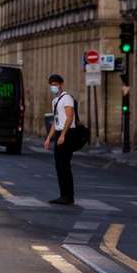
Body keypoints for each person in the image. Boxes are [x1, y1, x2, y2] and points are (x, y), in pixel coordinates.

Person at [44, 74, 76, 205]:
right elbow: (55, 121)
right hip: (59, 132)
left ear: (61, 84)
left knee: (64, 165)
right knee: (59, 166)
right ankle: (64, 195)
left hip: (67, 134)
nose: (53, 86)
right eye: (51, 84)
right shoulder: (55, 100)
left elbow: (70, 117)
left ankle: (68, 196)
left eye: (55, 84)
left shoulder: (67, 98)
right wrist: (48, 138)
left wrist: (63, 134)